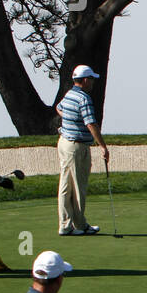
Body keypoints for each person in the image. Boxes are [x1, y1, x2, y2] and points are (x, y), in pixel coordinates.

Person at [56, 64, 109, 235]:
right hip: (77, 146)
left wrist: (70, 119)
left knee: (66, 186)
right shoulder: (84, 99)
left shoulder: (69, 94)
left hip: (64, 142)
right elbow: (91, 124)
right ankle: (79, 225)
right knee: (77, 187)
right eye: (91, 79)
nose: (92, 82)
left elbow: (59, 108)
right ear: (85, 80)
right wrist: (103, 146)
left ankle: (66, 225)